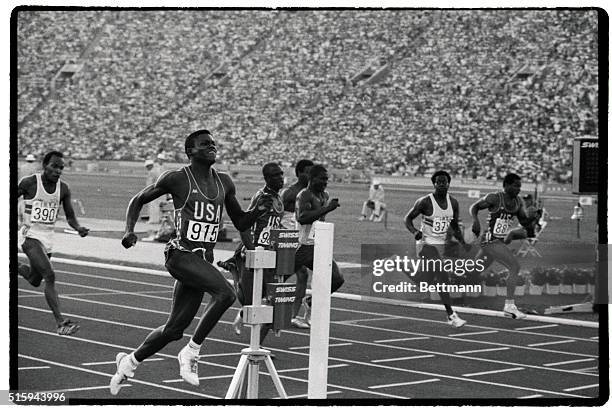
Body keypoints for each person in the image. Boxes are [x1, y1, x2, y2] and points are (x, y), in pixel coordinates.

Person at [110, 129, 274, 395]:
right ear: (190, 151)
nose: (212, 146)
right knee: (225, 293)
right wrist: (129, 230)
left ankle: (128, 362)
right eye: (205, 144)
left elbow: (241, 221)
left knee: (174, 329)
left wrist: (259, 210)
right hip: (179, 254)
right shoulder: (177, 178)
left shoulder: (224, 182)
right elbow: (137, 200)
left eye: (213, 143)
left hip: (202, 261)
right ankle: (191, 352)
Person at [17, 151, 89, 335]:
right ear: (45, 165)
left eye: (61, 168)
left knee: (34, 280)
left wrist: (79, 228)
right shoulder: (29, 183)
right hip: (29, 235)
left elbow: (71, 217)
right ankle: (60, 323)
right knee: (49, 275)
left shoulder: (63, 189)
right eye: (54, 166)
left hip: (48, 238)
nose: (58, 171)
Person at [227, 163, 285, 342]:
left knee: (270, 300)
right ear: (267, 179)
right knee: (255, 299)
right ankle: (246, 319)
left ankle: (251, 330)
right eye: (275, 175)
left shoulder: (278, 198)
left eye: (281, 174)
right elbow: (244, 226)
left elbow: (272, 225)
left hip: (270, 254)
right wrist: (251, 250)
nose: (281, 178)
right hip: (256, 253)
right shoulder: (261, 197)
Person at [470, 173, 539, 319]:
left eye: (519, 186)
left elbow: (525, 222)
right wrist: (475, 221)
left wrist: (533, 217)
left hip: (497, 242)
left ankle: (445, 280)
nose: (518, 189)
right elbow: (474, 207)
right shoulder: (495, 197)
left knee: (473, 270)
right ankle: (509, 306)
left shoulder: (518, 202)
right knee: (514, 267)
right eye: (515, 186)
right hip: (489, 240)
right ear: (506, 185)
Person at [404, 170, 468, 328]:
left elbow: (454, 225)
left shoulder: (453, 203)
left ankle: (399, 262)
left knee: (422, 280)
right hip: (425, 245)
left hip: (440, 246)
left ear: (448, 184)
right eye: (438, 182)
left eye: (444, 182)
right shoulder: (425, 202)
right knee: (442, 275)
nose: (441, 185)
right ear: (434, 184)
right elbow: (408, 218)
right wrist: (415, 232)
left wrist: (462, 242)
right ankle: (451, 315)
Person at [293, 164, 345, 321]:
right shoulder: (304, 195)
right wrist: (328, 209)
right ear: (311, 178)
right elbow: (302, 218)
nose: (325, 182)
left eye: (327, 179)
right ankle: (249, 308)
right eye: (322, 179)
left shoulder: (324, 195)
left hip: (318, 245)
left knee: (337, 279)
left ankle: (310, 302)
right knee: (277, 279)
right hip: (301, 246)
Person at [280, 159, 313, 328]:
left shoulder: (310, 193)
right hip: (288, 239)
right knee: (286, 275)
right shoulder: (290, 193)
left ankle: (292, 315)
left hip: (301, 240)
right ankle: (268, 305)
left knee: (302, 275)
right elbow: (279, 217)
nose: (311, 175)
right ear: (299, 173)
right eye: (308, 172)